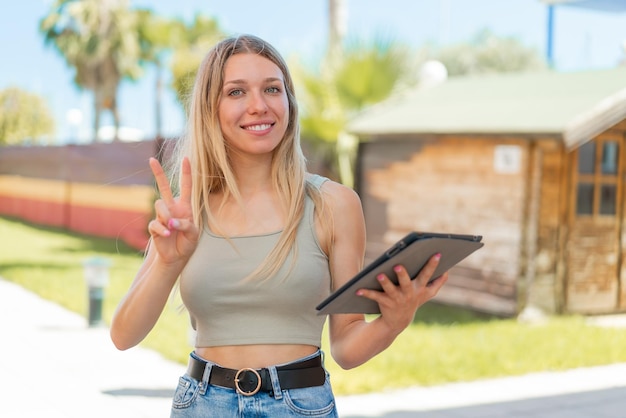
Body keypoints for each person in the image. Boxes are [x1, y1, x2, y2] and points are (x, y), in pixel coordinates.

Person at [110, 34, 448, 417]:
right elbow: (123, 336)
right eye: (236, 92)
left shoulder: (333, 204)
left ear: (288, 101)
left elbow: (347, 348)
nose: (259, 106)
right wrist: (168, 262)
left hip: (299, 405)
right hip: (203, 405)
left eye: (272, 89)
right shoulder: (188, 212)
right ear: (210, 109)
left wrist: (394, 321)